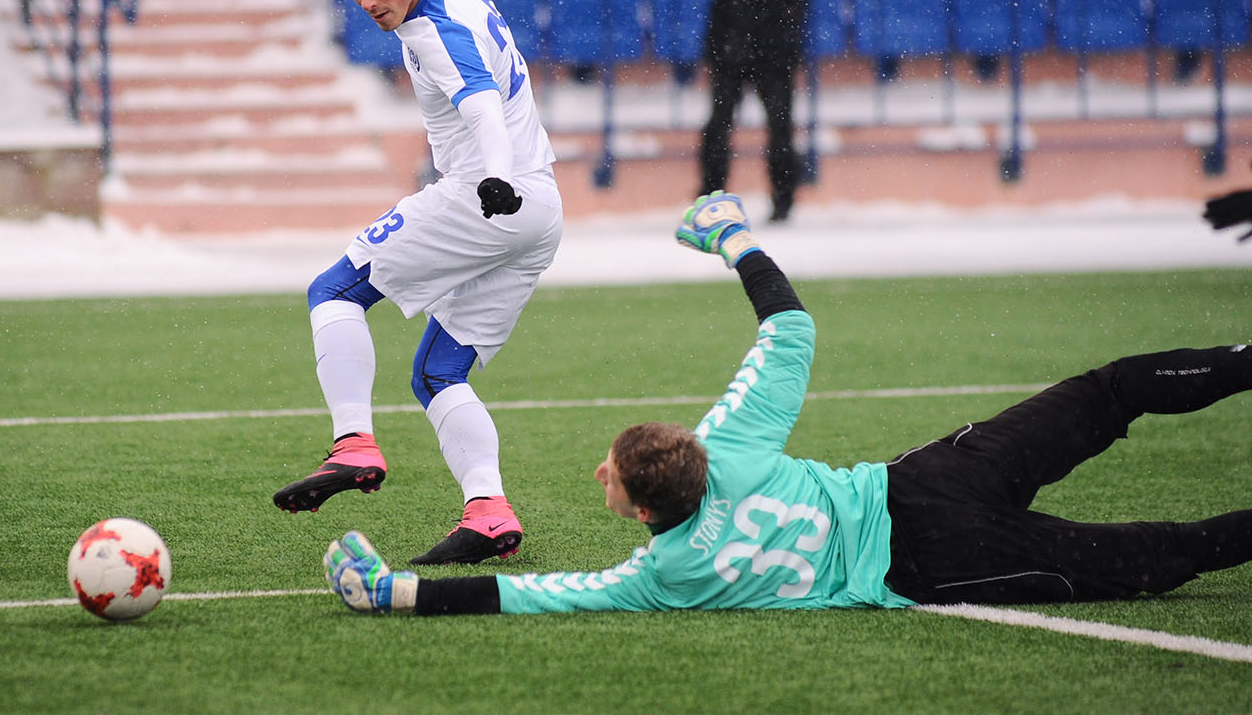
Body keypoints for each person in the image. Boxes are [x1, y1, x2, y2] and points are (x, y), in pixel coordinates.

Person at [322, 192, 1252, 615]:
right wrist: (732, 240)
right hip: (921, 480)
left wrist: (395, 594)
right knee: (1106, 392)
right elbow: (790, 332)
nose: (597, 470)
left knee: (1147, 557)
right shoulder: (730, 443)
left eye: (608, 469)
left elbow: (528, 595)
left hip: (938, 559)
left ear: (644, 511)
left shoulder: (668, 575)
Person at [271, 0, 564, 567]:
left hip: (492, 195)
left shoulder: (434, 32)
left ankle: (353, 444)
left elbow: (475, 103)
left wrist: (491, 181)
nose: (370, 1)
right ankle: (490, 512)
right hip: (541, 211)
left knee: (332, 291)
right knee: (438, 372)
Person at [692, 0, 812, 223]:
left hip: (773, 35)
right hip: (731, 33)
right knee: (719, 122)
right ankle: (710, 197)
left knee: (779, 121)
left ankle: (783, 199)